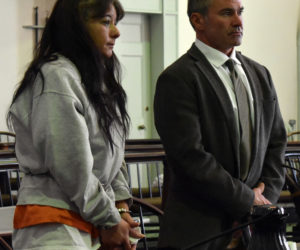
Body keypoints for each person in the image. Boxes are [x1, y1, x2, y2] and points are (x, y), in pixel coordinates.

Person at [7, 0, 144, 249]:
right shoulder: (56, 76)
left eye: (115, 22)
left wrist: (121, 209)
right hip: (53, 227)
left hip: (88, 219)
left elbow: (113, 156)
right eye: (105, 22)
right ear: (77, 27)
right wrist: (110, 220)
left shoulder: (95, 80)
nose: (116, 32)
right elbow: (73, 167)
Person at [154, 0, 287, 249]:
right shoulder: (178, 78)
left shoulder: (260, 74)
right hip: (201, 231)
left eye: (240, 12)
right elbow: (190, 157)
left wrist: (262, 203)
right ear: (198, 20)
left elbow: (276, 142)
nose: (238, 22)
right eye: (227, 13)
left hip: (256, 231)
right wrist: (247, 201)